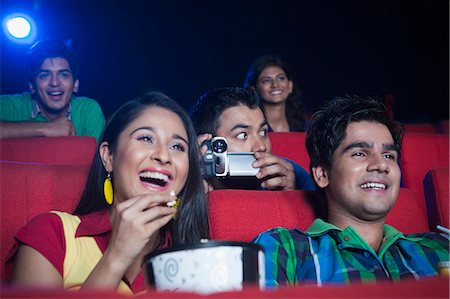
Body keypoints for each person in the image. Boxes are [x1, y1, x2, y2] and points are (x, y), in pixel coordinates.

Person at [8, 92, 210, 294]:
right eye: (146, 138)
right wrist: (116, 257)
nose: (164, 156)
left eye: (177, 146)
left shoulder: (194, 260)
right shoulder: (52, 234)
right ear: (108, 156)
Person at [253, 96, 449, 287]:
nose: (381, 165)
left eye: (389, 155)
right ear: (322, 174)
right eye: (359, 153)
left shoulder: (440, 246)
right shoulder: (283, 249)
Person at [190, 87, 315, 191]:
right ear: (206, 146)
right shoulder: (183, 179)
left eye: (263, 132)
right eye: (242, 135)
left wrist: (291, 199)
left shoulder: (292, 172)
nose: (261, 146)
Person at [0, 38, 105, 140]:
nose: (55, 83)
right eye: (45, 75)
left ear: (75, 84)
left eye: (63, 75)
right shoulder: (9, 106)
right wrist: (45, 128)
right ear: (32, 85)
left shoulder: (87, 111)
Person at [244, 54, 306, 132]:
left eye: (281, 78)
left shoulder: (306, 126)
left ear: (290, 86)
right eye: (266, 80)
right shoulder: (248, 128)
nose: (275, 85)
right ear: (254, 89)